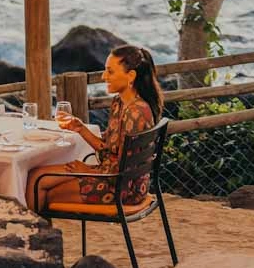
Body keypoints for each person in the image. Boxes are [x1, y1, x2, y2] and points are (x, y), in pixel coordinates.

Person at [28, 44, 163, 209]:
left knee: (40, 188)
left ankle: (36, 232)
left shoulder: (135, 113)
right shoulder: (119, 103)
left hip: (123, 189)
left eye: (110, 72)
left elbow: (123, 171)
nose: (104, 77)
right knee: (36, 176)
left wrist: (86, 170)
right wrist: (80, 128)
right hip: (108, 173)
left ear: (131, 76)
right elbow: (107, 147)